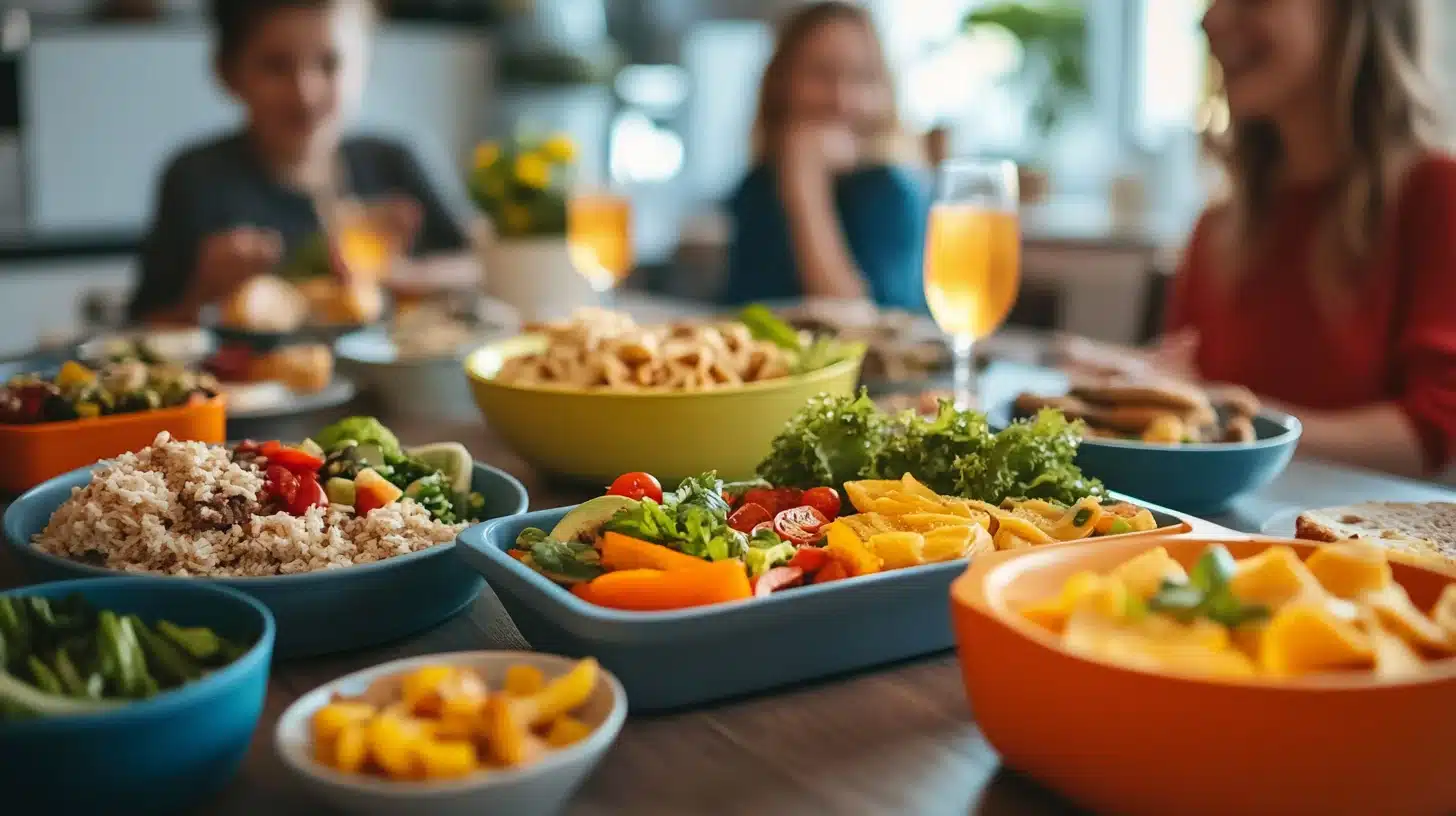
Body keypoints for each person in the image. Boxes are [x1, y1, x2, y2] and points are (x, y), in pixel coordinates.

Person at [1160, 0, 1456, 479]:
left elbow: (1432, 435)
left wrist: (1217, 410)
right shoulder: (1216, 228)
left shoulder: (1437, 195)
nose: (1211, 18)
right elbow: (1187, 386)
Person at [128, 0, 471, 325]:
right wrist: (204, 294)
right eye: (276, 66)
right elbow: (142, 326)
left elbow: (480, 265)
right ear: (227, 72)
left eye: (330, 63)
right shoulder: (197, 179)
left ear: (365, 65)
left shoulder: (395, 161)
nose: (305, 93)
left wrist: (403, 275)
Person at [723, 1, 929, 311]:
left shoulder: (891, 192)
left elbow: (861, 326)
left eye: (862, 77)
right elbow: (743, 313)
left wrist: (805, 183)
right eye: (821, 74)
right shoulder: (757, 188)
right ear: (782, 83)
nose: (842, 99)